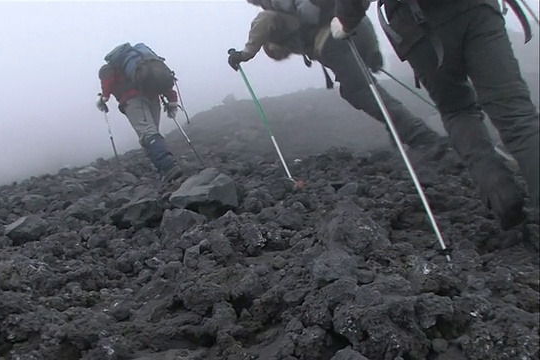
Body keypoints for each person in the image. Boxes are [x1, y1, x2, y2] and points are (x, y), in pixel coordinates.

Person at [328, 0, 539, 229]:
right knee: (516, 115)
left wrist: (346, 22)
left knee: (458, 111)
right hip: (478, 11)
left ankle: (502, 197)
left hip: (416, 27)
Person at [227, 3, 450, 165]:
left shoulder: (272, 16)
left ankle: (422, 137)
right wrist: (372, 51)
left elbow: (262, 22)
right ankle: (402, 129)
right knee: (365, 88)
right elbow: (356, 15)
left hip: (333, 42)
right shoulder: (306, 11)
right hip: (353, 28)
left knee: (360, 91)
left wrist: (245, 54)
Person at [96, 45, 183, 183]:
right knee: (152, 132)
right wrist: (172, 101)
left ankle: (168, 165)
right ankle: (164, 170)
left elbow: (107, 87)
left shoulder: (109, 68)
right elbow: (162, 83)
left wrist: (103, 99)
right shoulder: (144, 63)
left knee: (147, 133)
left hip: (133, 101)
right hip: (154, 98)